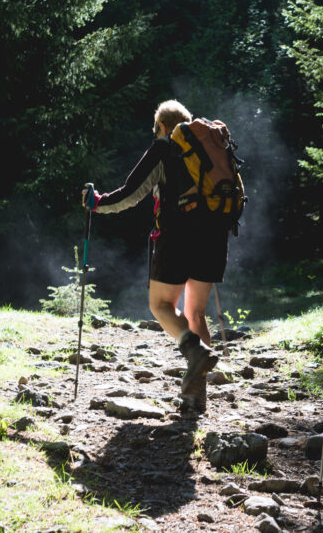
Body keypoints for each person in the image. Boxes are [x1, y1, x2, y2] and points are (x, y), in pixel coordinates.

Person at [82, 99, 225, 414]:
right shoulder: (209, 151)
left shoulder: (163, 148)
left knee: (160, 306)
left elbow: (131, 193)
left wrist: (96, 203)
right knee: (196, 314)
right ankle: (196, 397)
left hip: (175, 240)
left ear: (162, 126)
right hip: (214, 240)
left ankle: (197, 354)